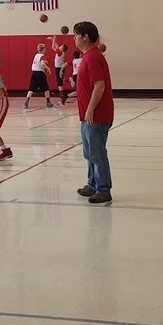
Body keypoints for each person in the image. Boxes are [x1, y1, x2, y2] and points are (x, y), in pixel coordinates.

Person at [74, 21, 115, 205]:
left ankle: (103, 189)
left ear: (85, 37)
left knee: (97, 153)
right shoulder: (87, 57)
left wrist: (90, 109)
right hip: (86, 116)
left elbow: (100, 85)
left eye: (76, 35)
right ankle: (92, 184)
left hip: (96, 116)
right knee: (89, 153)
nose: (74, 39)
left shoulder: (93, 57)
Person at [24, 43, 54, 110]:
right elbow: (42, 63)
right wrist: (48, 68)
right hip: (40, 74)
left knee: (31, 88)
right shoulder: (42, 55)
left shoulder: (36, 55)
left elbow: (39, 62)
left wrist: (45, 62)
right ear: (44, 49)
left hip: (34, 73)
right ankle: (48, 102)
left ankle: (26, 102)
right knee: (46, 88)